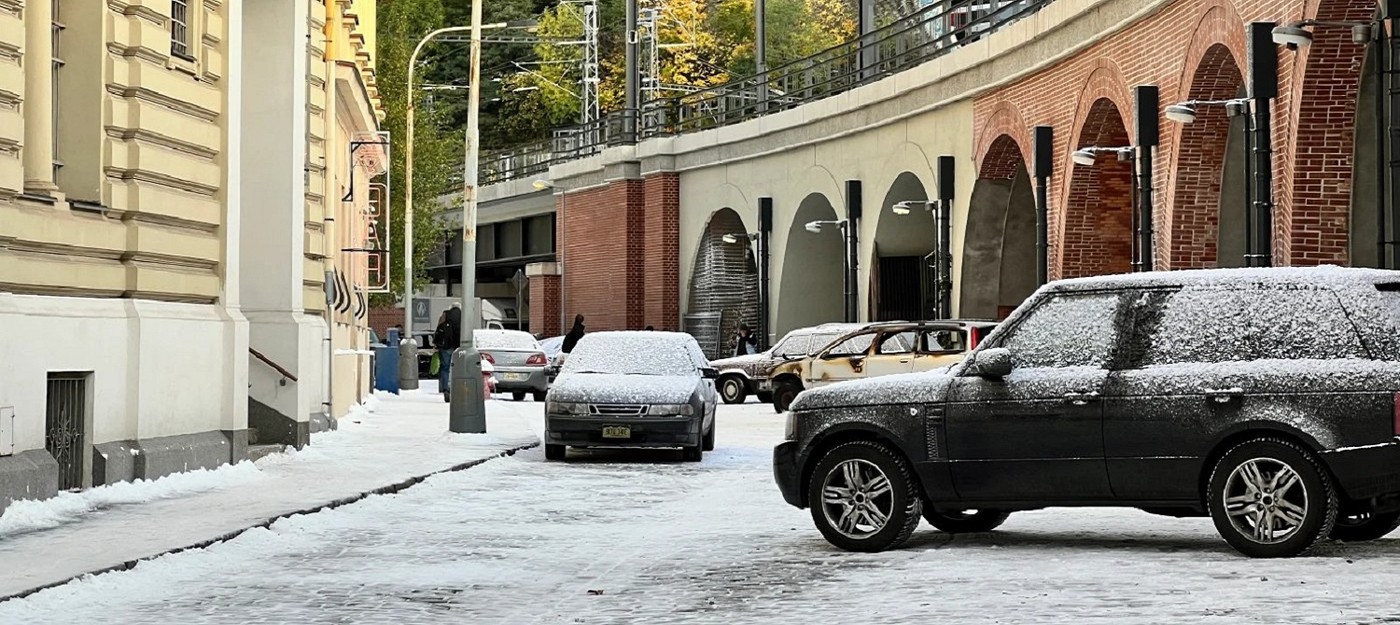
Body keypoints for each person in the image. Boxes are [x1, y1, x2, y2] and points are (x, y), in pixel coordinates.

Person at [436, 305, 462, 402]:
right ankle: (456, 388)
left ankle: (445, 388)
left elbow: (438, 329)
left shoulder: (445, 315)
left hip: (445, 346)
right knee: (457, 368)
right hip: (458, 347)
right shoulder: (463, 316)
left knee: (445, 368)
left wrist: (437, 343)